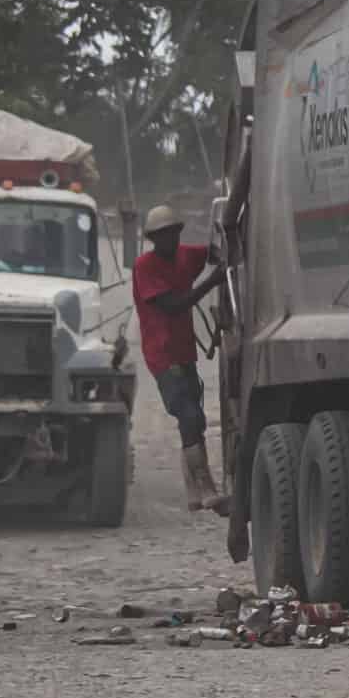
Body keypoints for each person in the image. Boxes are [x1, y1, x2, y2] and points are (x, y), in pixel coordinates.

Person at [134, 204, 227, 516]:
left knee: (196, 418)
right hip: (161, 355)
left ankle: (193, 492)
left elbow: (215, 252)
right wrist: (213, 281)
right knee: (187, 416)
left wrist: (227, 244)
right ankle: (205, 484)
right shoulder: (144, 268)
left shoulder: (186, 255)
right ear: (152, 239)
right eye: (161, 236)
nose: (168, 240)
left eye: (172, 234)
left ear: (177, 233)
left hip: (186, 352)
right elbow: (173, 305)